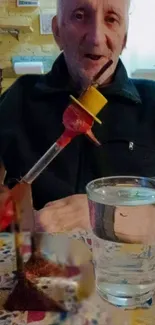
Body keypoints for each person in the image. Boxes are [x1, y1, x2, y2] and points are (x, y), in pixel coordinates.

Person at [0, 0, 155, 232]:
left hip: (126, 265)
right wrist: (12, 214)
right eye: (80, 16)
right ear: (57, 31)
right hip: (37, 260)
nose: (96, 38)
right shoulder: (19, 97)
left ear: (124, 39)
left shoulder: (151, 102)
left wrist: (102, 215)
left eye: (111, 19)